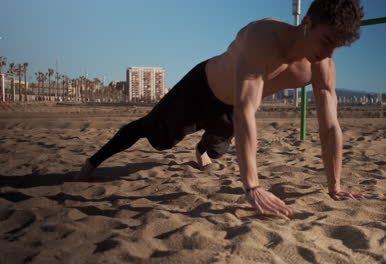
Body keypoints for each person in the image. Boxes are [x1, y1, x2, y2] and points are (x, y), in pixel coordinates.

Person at [78, 0, 367, 217]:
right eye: (327, 41)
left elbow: (330, 127)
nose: (329, 53)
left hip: (230, 113)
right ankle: (93, 161)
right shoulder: (264, 37)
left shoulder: (322, 66)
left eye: (338, 46)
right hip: (200, 91)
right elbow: (246, 110)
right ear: (307, 22)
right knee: (158, 138)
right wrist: (252, 187)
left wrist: (335, 187)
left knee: (213, 153)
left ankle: (201, 148)